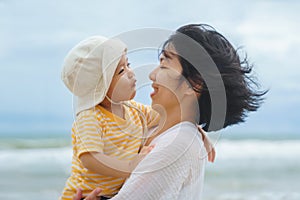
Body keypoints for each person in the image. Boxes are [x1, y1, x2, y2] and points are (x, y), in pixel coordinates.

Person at [73, 23, 266, 200]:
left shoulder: (178, 144)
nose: (152, 74)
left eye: (164, 64)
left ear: (195, 84)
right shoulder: (157, 130)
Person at [60, 35, 215, 200]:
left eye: (128, 65)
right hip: (82, 195)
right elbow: (89, 158)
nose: (131, 73)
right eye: (121, 71)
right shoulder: (90, 117)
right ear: (99, 88)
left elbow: (172, 116)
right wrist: (129, 166)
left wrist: (198, 130)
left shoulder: (134, 111)